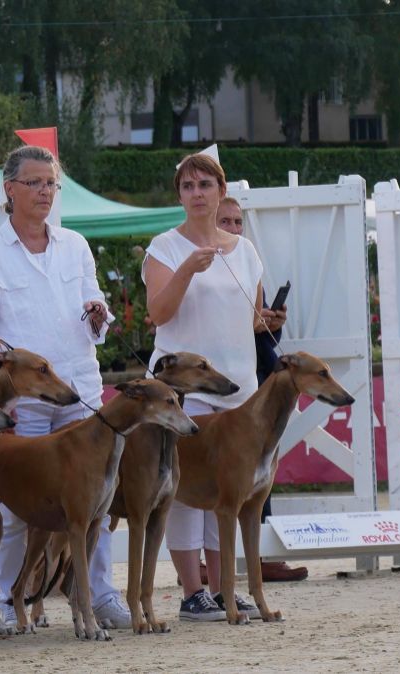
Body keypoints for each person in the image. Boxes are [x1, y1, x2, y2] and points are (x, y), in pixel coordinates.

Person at [0, 145, 131, 630]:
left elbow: (94, 304)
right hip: (24, 401)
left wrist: (100, 313)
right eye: (35, 183)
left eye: (50, 183)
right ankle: (2, 597)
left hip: (80, 387)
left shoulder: (76, 245)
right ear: (10, 189)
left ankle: (100, 596)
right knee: (20, 508)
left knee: (97, 504)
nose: (44, 192)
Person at [142, 153, 265, 622]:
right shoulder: (164, 248)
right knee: (183, 488)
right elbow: (158, 313)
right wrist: (187, 271)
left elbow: (252, 317)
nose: (197, 193)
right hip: (185, 386)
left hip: (238, 384)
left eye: (205, 184)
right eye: (188, 186)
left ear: (220, 190)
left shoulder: (246, 250)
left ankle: (223, 589)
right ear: (179, 195)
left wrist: (269, 320)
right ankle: (192, 591)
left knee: (229, 490)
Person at [215, 197, 307, 583]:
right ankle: (222, 566)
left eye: (238, 222)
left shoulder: (248, 262)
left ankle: (262, 554)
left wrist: (275, 320)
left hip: (258, 383)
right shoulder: (207, 266)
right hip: (227, 383)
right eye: (227, 221)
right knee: (229, 478)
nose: (235, 229)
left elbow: (262, 329)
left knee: (263, 470)